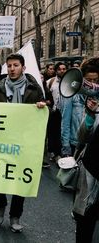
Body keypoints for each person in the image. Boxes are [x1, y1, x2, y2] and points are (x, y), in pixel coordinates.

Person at [0, 53, 46, 233]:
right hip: (2, 142)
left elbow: (46, 111)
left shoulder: (34, 88)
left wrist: (42, 107)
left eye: (15, 65)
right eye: (9, 66)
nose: (12, 69)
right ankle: (0, 206)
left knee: (20, 179)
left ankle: (15, 216)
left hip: (25, 142)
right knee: (0, 177)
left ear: (23, 67)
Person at [72, 57, 99, 243]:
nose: (93, 85)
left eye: (97, 80)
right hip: (91, 170)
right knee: (84, 221)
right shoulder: (90, 102)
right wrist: (89, 115)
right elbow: (82, 138)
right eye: (89, 81)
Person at [60, 62, 96, 159]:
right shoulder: (72, 94)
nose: (93, 83)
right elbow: (65, 121)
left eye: (96, 80)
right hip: (75, 144)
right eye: (89, 80)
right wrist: (66, 147)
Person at [45, 62, 67, 166]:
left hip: (65, 111)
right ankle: (53, 152)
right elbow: (46, 95)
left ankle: (61, 152)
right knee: (53, 132)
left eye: (64, 69)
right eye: (60, 69)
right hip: (54, 111)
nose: (62, 71)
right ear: (56, 71)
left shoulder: (69, 81)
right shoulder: (50, 82)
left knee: (62, 132)